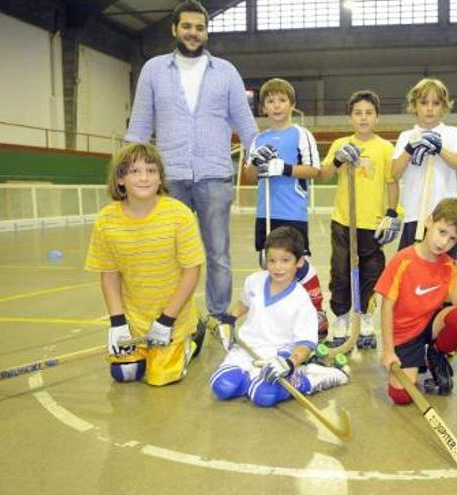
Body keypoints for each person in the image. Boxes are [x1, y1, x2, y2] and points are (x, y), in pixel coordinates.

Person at [125, 0, 258, 324]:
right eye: (187, 26)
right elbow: (140, 125)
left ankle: (218, 316)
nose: (193, 33)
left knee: (218, 254)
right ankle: (173, 316)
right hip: (169, 178)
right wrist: (127, 172)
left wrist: (259, 159)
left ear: (206, 32)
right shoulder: (153, 70)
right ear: (174, 29)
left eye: (200, 28)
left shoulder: (226, 72)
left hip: (215, 176)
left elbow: (246, 124)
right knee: (168, 254)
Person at [85, 143, 205, 386]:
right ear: (120, 179)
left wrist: (167, 320)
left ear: (160, 178)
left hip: (173, 317)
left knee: (159, 378)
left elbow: (192, 271)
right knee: (125, 373)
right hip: (135, 321)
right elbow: (109, 275)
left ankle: (193, 335)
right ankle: (151, 346)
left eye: (151, 171)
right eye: (135, 171)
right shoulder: (106, 221)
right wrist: (118, 324)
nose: (144, 178)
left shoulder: (179, 215)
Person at [209, 226, 349, 407]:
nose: (277, 267)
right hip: (246, 350)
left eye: (285, 260)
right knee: (223, 386)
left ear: (299, 262)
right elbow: (243, 303)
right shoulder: (254, 281)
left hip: (279, 357)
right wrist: (230, 319)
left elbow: (305, 344)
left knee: (263, 396)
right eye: (272, 260)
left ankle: (311, 377)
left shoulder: (301, 300)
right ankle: (252, 380)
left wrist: (290, 363)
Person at [241, 78, 327, 336]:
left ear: (292, 104)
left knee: (298, 264)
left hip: (292, 213)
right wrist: (255, 164)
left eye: (281, 100)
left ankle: (317, 310)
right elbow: (248, 178)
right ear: (263, 107)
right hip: (265, 213)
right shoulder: (258, 139)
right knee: (271, 265)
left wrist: (284, 168)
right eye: (270, 101)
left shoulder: (301, 134)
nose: (276, 106)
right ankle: (279, 317)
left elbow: (314, 170)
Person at [319, 90, 399, 349]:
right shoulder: (340, 143)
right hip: (344, 221)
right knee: (340, 271)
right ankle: (341, 319)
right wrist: (339, 159)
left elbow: (392, 183)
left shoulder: (385, 148)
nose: (363, 118)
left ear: (377, 117)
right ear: (350, 117)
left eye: (368, 113)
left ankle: (365, 318)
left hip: (372, 224)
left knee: (371, 274)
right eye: (358, 113)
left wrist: (391, 213)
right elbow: (324, 173)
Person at [376, 198, 457, 401]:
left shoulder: (448, 264)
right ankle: (413, 358)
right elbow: (386, 308)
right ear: (429, 221)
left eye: (452, 239)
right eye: (442, 232)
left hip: (430, 325)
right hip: (405, 335)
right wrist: (388, 351)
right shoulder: (403, 260)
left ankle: (436, 352)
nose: (444, 242)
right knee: (402, 395)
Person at [392, 78, 457, 250]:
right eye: (424, 102)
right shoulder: (406, 136)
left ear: (443, 107)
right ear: (414, 106)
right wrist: (410, 148)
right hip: (414, 214)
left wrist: (439, 148)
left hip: (446, 217)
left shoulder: (451, 133)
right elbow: (394, 173)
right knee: (411, 271)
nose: (429, 108)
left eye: (436, 103)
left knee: (445, 271)